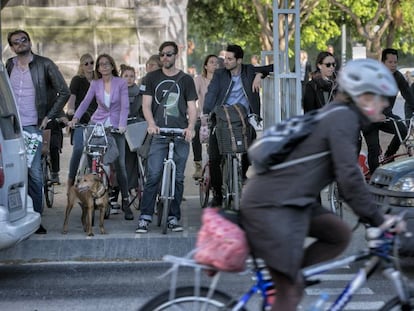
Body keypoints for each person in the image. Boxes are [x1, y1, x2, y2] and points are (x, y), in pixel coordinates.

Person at [240, 58, 403, 311]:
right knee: (289, 294)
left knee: (338, 233)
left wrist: (373, 217)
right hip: (273, 206)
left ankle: (291, 275)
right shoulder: (342, 119)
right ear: (362, 95)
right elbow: (348, 179)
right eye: (380, 97)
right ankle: (288, 281)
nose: (384, 103)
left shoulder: (341, 115)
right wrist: (379, 219)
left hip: (292, 200)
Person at [6, 29, 70, 234]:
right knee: (12, 172)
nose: (20, 44)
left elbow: (64, 91)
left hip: (34, 126)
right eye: (15, 42)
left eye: (23, 40)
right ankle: (15, 215)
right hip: (11, 126)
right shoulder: (9, 65)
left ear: (29, 42)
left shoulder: (45, 64)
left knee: (33, 173)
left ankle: (35, 219)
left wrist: (49, 116)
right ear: (12, 46)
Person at [135, 41, 197, 233]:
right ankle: (145, 217)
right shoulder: (151, 77)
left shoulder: (186, 79)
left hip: (180, 133)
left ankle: (173, 217)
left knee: (178, 178)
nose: (164, 58)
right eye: (162, 54)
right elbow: (146, 105)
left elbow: (192, 107)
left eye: (168, 54)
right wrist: (151, 124)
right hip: (159, 133)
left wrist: (191, 127)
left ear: (175, 56)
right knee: (153, 175)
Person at [203, 44, 273, 206]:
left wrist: (259, 74)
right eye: (225, 58)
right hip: (221, 118)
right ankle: (218, 195)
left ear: (239, 60)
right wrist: (206, 112)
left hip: (243, 119)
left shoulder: (249, 71)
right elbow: (211, 93)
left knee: (253, 142)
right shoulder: (220, 74)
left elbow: (272, 67)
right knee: (214, 157)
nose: (225, 62)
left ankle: (242, 173)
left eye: (229, 59)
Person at [69, 53, 134, 221]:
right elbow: (84, 102)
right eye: (100, 64)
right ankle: (89, 199)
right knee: (92, 160)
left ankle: (125, 201)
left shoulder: (120, 83)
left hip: (115, 125)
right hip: (97, 123)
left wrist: (121, 125)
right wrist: (75, 118)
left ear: (112, 66)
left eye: (107, 64)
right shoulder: (95, 84)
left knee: (119, 164)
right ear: (98, 68)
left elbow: (125, 106)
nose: (104, 66)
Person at [362, 48, 414, 173]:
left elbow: (408, 95)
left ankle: (388, 157)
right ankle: (375, 180)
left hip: (387, 116)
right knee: (373, 148)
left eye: (395, 62)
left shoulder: (398, 77)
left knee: (403, 130)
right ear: (383, 63)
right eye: (390, 62)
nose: (393, 65)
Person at [66, 53, 97, 194]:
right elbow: (72, 98)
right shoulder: (77, 80)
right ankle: (70, 180)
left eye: (92, 62)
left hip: (96, 120)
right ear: (81, 66)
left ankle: (92, 183)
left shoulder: (99, 80)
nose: (90, 66)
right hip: (80, 119)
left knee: (94, 153)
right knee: (78, 148)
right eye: (86, 63)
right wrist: (71, 111)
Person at [192, 54, 218, 180]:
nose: (215, 64)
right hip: (203, 116)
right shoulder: (199, 80)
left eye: (217, 62)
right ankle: (198, 164)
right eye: (212, 62)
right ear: (206, 66)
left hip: (219, 116)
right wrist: (196, 114)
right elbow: (193, 98)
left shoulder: (222, 80)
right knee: (195, 129)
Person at [120, 64, 142, 199]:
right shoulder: (117, 92)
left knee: (134, 157)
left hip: (135, 127)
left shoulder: (140, 92)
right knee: (122, 159)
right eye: (126, 76)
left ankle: (133, 185)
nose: (129, 79)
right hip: (121, 127)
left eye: (132, 76)